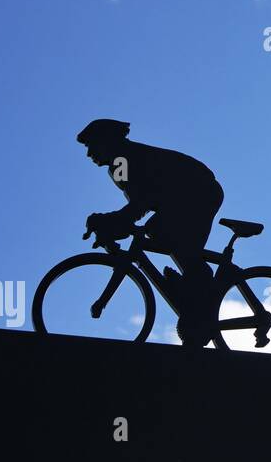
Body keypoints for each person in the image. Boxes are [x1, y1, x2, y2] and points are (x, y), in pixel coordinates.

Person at [77, 119, 225, 346]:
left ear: (106, 141)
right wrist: (114, 223)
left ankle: (197, 291)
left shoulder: (124, 159)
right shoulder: (118, 166)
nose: (89, 154)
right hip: (185, 194)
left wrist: (111, 221)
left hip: (199, 190)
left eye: (91, 145)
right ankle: (194, 291)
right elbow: (137, 205)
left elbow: (139, 204)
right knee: (159, 232)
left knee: (168, 236)